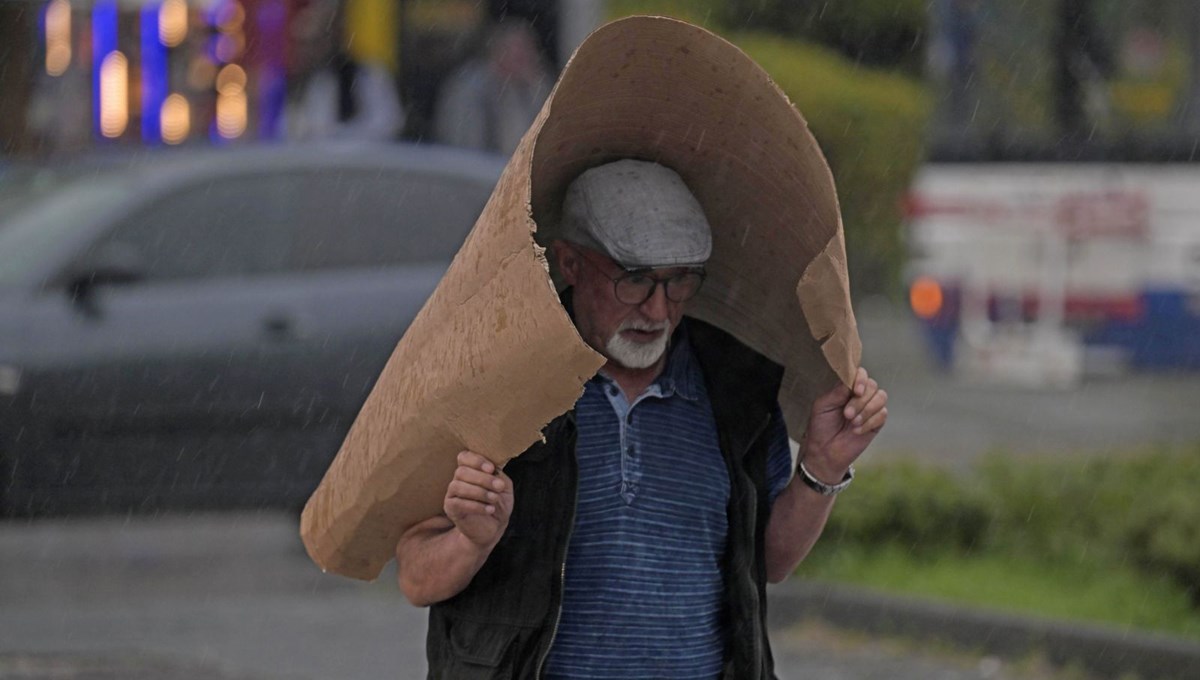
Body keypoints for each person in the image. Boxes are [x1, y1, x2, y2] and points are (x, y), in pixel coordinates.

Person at [395, 159, 888, 679]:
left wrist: (821, 468)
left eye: (678, 282)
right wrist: (471, 541)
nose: (657, 311)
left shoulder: (736, 389)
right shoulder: (497, 382)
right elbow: (416, 577)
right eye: (633, 281)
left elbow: (770, 563)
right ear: (570, 264)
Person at [285, 0, 403, 142]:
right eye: (305, 44)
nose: (310, 51)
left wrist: (341, 139)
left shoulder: (370, 75)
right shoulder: (301, 81)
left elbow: (389, 123)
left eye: (319, 40)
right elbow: (292, 129)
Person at [433, 19, 553, 156]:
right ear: (500, 52)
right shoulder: (471, 88)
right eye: (519, 54)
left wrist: (538, 87)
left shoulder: (529, 86)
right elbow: (465, 141)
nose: (529, 60)